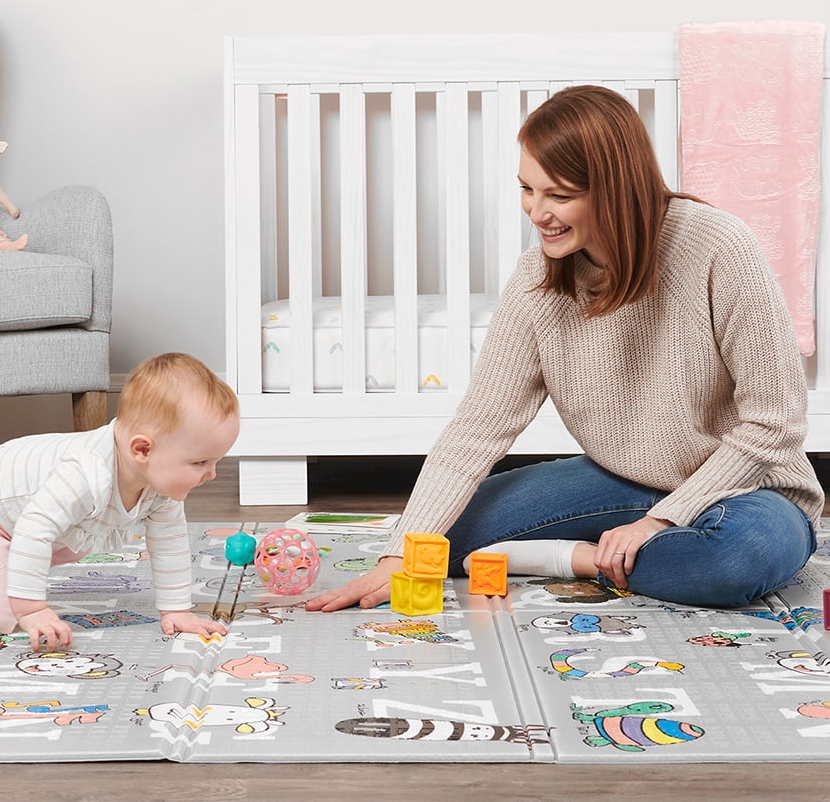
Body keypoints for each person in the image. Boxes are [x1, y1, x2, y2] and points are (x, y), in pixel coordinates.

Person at [306, 85, 823, 614]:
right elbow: (478, 428)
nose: (537, 212)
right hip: (623, 480)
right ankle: (579, 556)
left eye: (560, 195)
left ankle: (622, 544)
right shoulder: (537, 279)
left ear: (616, 189)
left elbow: (775, 422)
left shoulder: (719, 247)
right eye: (528, 189)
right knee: (439, 538)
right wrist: (399, 560)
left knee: (731, 563)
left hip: (747, 490)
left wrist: (663, 519)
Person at [0, 351, 239, 650]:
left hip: (36, 520)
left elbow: (169, 543)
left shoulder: (160, 484)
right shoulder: (86, 474)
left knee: (75, 541)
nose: (211, 474)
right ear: (142, 450)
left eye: (216, 462)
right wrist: (31, 609)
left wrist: (176, 611)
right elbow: (33, 530)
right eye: (200, 463)